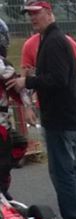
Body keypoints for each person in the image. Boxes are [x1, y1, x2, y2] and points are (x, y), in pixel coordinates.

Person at [5, 2, 76, 219]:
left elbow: (58, 79)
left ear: (49, 13)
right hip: (69, 115)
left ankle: (75, 218)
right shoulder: (54, 40)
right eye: (29, 14)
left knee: (62, 172)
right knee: (72, 170)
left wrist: (28, 81)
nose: (32, 18)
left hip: (60, 118)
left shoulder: (53, 42)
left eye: (36, 13)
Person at [19, 21, 76, 197]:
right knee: (58, 156)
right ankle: (67, 192)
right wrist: (28, 107)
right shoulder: (30, 45)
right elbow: (25, 78)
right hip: (49, 110)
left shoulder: (65, 41)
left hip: (72, 107)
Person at [0, 18, 30, 200]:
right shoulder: (3, 65)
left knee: (19, 143)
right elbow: (18, 88)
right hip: (0, 126)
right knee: (4, 161)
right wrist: (28, 106)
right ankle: (2, 192)